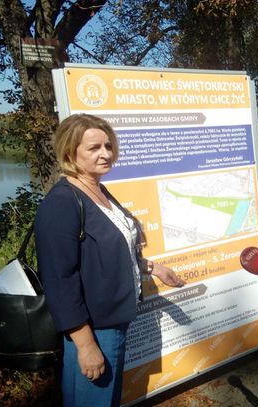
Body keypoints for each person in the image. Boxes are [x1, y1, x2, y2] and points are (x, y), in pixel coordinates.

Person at [34, 113, 185, 407]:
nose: (105, 154)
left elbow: (107, 254)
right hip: (93, 329)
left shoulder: (98, 190)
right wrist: (85, 344)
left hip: (114, 322)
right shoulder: (62, 203)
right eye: (94, 148)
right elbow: (59, 280)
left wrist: (152, 268)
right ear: (70, 153)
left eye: (108, 145)